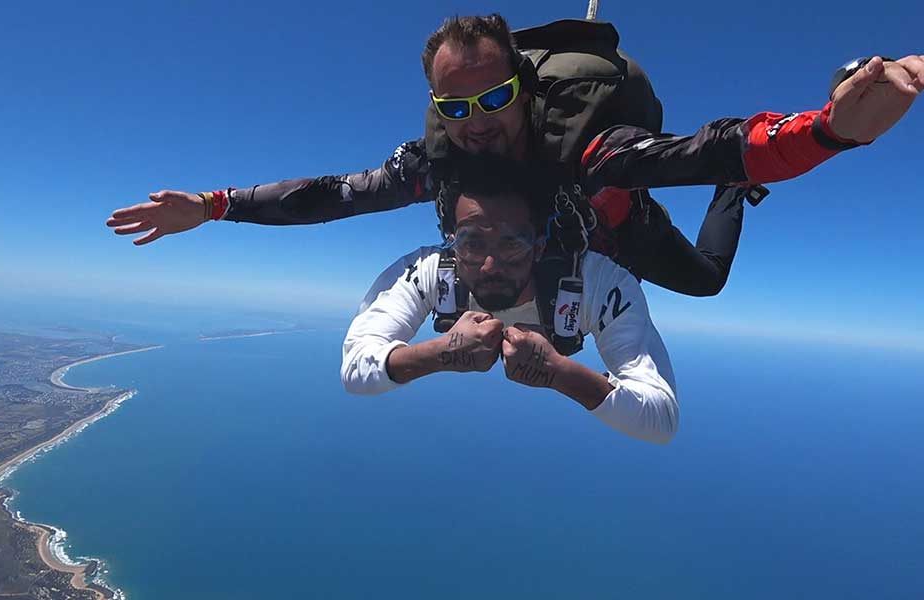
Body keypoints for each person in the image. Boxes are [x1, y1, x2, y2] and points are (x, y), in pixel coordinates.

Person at [106, 16, 921, 302]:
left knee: (706, 280)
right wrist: (213, 206)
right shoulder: (435, 162)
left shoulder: (594, 148)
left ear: (525, 91)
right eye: (456, 107)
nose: (477, 122)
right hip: (534, 244)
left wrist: (830, 132)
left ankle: (734, 201)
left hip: (611, 223)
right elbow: (330, 197)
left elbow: (707, 148)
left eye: (495, 98)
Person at [341, 155, 678, 444]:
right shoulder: (434, 270)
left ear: (540, 246)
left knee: (708, 278)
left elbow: (661, 418)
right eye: (472, 244)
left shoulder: (594, 282)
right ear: (452, 244)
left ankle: (730, 194)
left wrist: (560, 373)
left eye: (511, 245)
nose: (490, 266)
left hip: (638, 247)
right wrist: (439, 354)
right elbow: (355, 367)